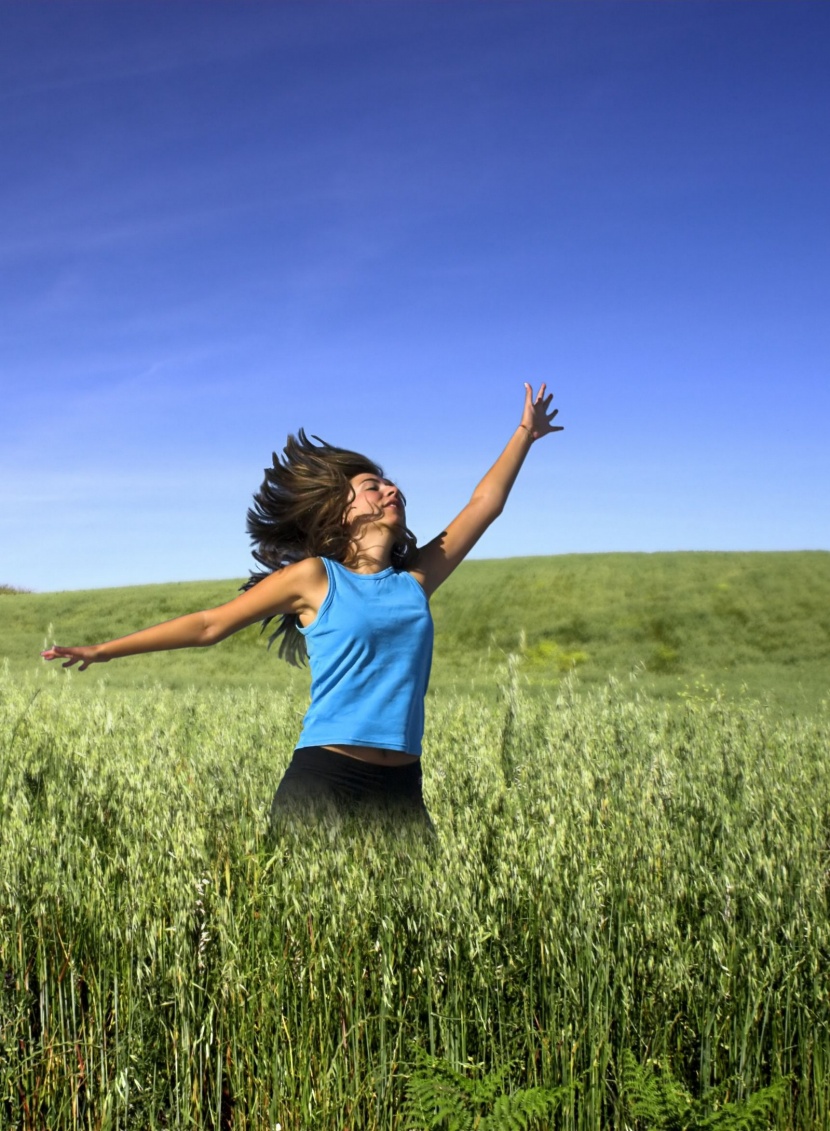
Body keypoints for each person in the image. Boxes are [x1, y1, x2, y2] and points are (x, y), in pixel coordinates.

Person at [42, 383, 562, 827]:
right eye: (372, 486)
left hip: (403, 788)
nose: (391, 490)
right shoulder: (316, 579)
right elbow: (208, 625)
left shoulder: (415, 581)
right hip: (324, 781)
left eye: (391, 484)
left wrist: (525, 435)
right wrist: (105, 649)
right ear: (340, 512)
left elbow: (483, 506)